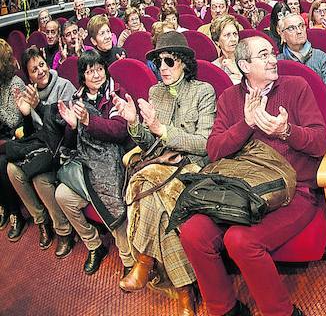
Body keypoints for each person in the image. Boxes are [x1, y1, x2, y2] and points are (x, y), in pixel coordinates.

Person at [179, 36, 326, 316]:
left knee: (240, 240)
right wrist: (246, 124)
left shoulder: (296, 87)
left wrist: (287, 132)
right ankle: (226, 310)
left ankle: (282, 313)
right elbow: (214, 151)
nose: (273, 59)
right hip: (241, 192)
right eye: (264, 55)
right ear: (245, 66)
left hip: (292, 192)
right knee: (192, 233)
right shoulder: (229, 98)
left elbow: (321, 142)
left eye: (272, 53)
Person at [116, 31, 215, 316]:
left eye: (169, 61)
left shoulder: (203, 91)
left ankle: (144, 262)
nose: (163, 68)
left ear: (183, 62)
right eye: (158, 62)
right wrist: (135, 124)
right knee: (161, 213)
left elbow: (204, 143)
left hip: (191, 167)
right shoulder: (155, 92)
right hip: (160, 165)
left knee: (149, 191)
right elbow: (149, 144)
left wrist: (163, 130)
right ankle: (184, 289)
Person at [54, 50, 134, 275]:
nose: (97, 75)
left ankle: (128, 258)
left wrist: (89, 120)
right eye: (90, 72)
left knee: (110, 199)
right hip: (87, 163)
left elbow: (120, 131)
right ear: (83, 77)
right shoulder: (77, 99)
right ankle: (94, 245)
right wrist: (72, 126)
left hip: (114, 159)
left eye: (100, 69)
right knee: (62, 195)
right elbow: (71, 145)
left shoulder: (115, 93)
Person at [7, 47, 76, 250]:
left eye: (41, 65)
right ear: (29, 76)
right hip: (41, 149)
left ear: (47, 64)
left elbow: (65, 131)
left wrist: (39, 107)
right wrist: (26, 114)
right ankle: (42, 220)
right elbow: (32, 134)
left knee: (39, 178)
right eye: (34, 70)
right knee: (11, 169)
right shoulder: (31, 93)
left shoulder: (64, 86)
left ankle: (64, 230)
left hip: (62, 149)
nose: (40, 71)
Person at [0, 39, 26, 235]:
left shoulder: (15, 83)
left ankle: (16, 213)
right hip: (3, 135)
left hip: (17, 136)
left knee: (1, 164)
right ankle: (4, 204)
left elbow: (14, 120)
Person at [210, 14, 242, 84]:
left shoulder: (249, 61)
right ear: (217, 41)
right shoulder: (214, 67)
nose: (233, 39)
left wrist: (237, 72)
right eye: (227, 35)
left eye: (235, 34)